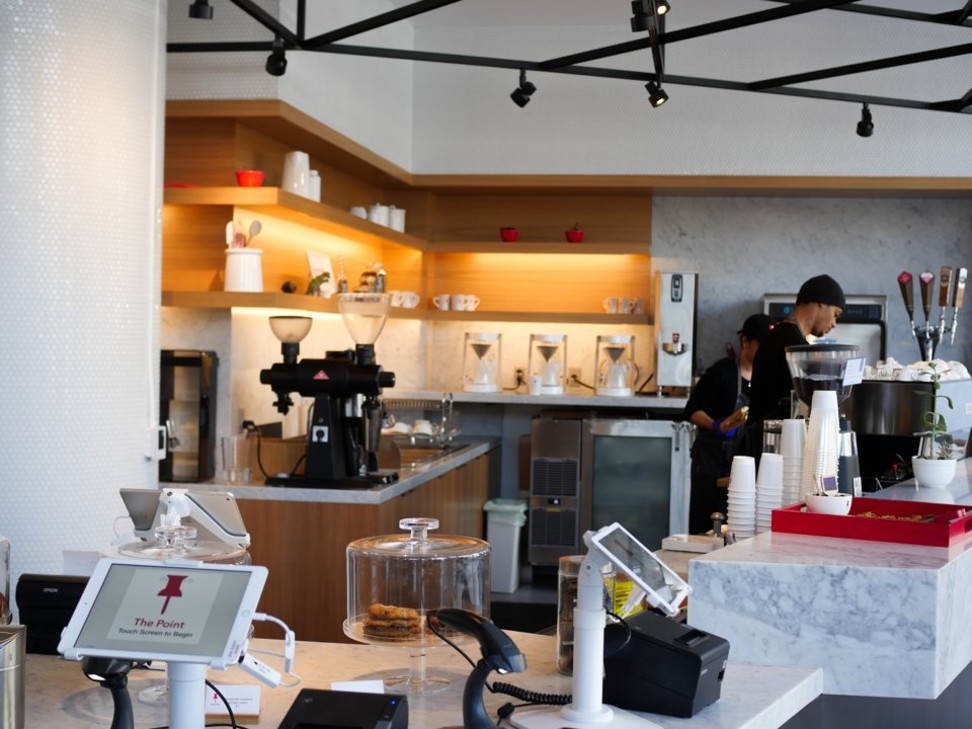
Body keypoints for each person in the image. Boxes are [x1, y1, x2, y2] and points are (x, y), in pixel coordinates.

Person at [685, 313, 773, 534]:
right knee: (706, 527)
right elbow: (692, 410)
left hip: (741, 465)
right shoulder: (721, 372)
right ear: (745, 341)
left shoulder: (766, 380)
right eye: (762, 345)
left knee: (736, 527)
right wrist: (717, 426)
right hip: (710, 463)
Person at [748, 274, 846, 426]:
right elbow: (799, 408)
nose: (834, 323)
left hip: (758, 439)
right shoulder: (797, 350)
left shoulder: (776, 337)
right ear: (821, 302)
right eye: (836, 314)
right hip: (773, 442)